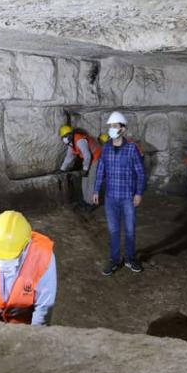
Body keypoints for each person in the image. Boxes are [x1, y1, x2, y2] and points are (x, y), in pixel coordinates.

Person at [0, 210, 56, 325]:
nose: (3, 263)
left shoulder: (43, 257)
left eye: (10, 256)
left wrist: (33, 337)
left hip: (24, 324)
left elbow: (44, 309)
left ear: (26, 246)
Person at [91, 111, 146, 275]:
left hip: (127, 197)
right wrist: (96, 190)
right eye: (110, 126)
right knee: (113, 230)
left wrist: (138, 193)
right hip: (110, 198)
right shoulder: (106, 148)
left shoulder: (131, 149)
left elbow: (141, 172)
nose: (111, 129)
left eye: (115, 126)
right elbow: (101, 170)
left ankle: (130, 258)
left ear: (123, 129)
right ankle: (114, 260)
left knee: (129, 230)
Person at [58, 125, 99, 210]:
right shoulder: (71, 144)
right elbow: (69, 157)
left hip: (97, 157)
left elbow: (87, 156)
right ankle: (86, 200)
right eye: (63, 137)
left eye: (66, 136)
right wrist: (62, 169)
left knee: (91, 180)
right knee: (84, 180)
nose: (65, 138)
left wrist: (85, 169)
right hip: (89, 158)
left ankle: (91, 204)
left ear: (71, 135)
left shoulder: (79, 141)